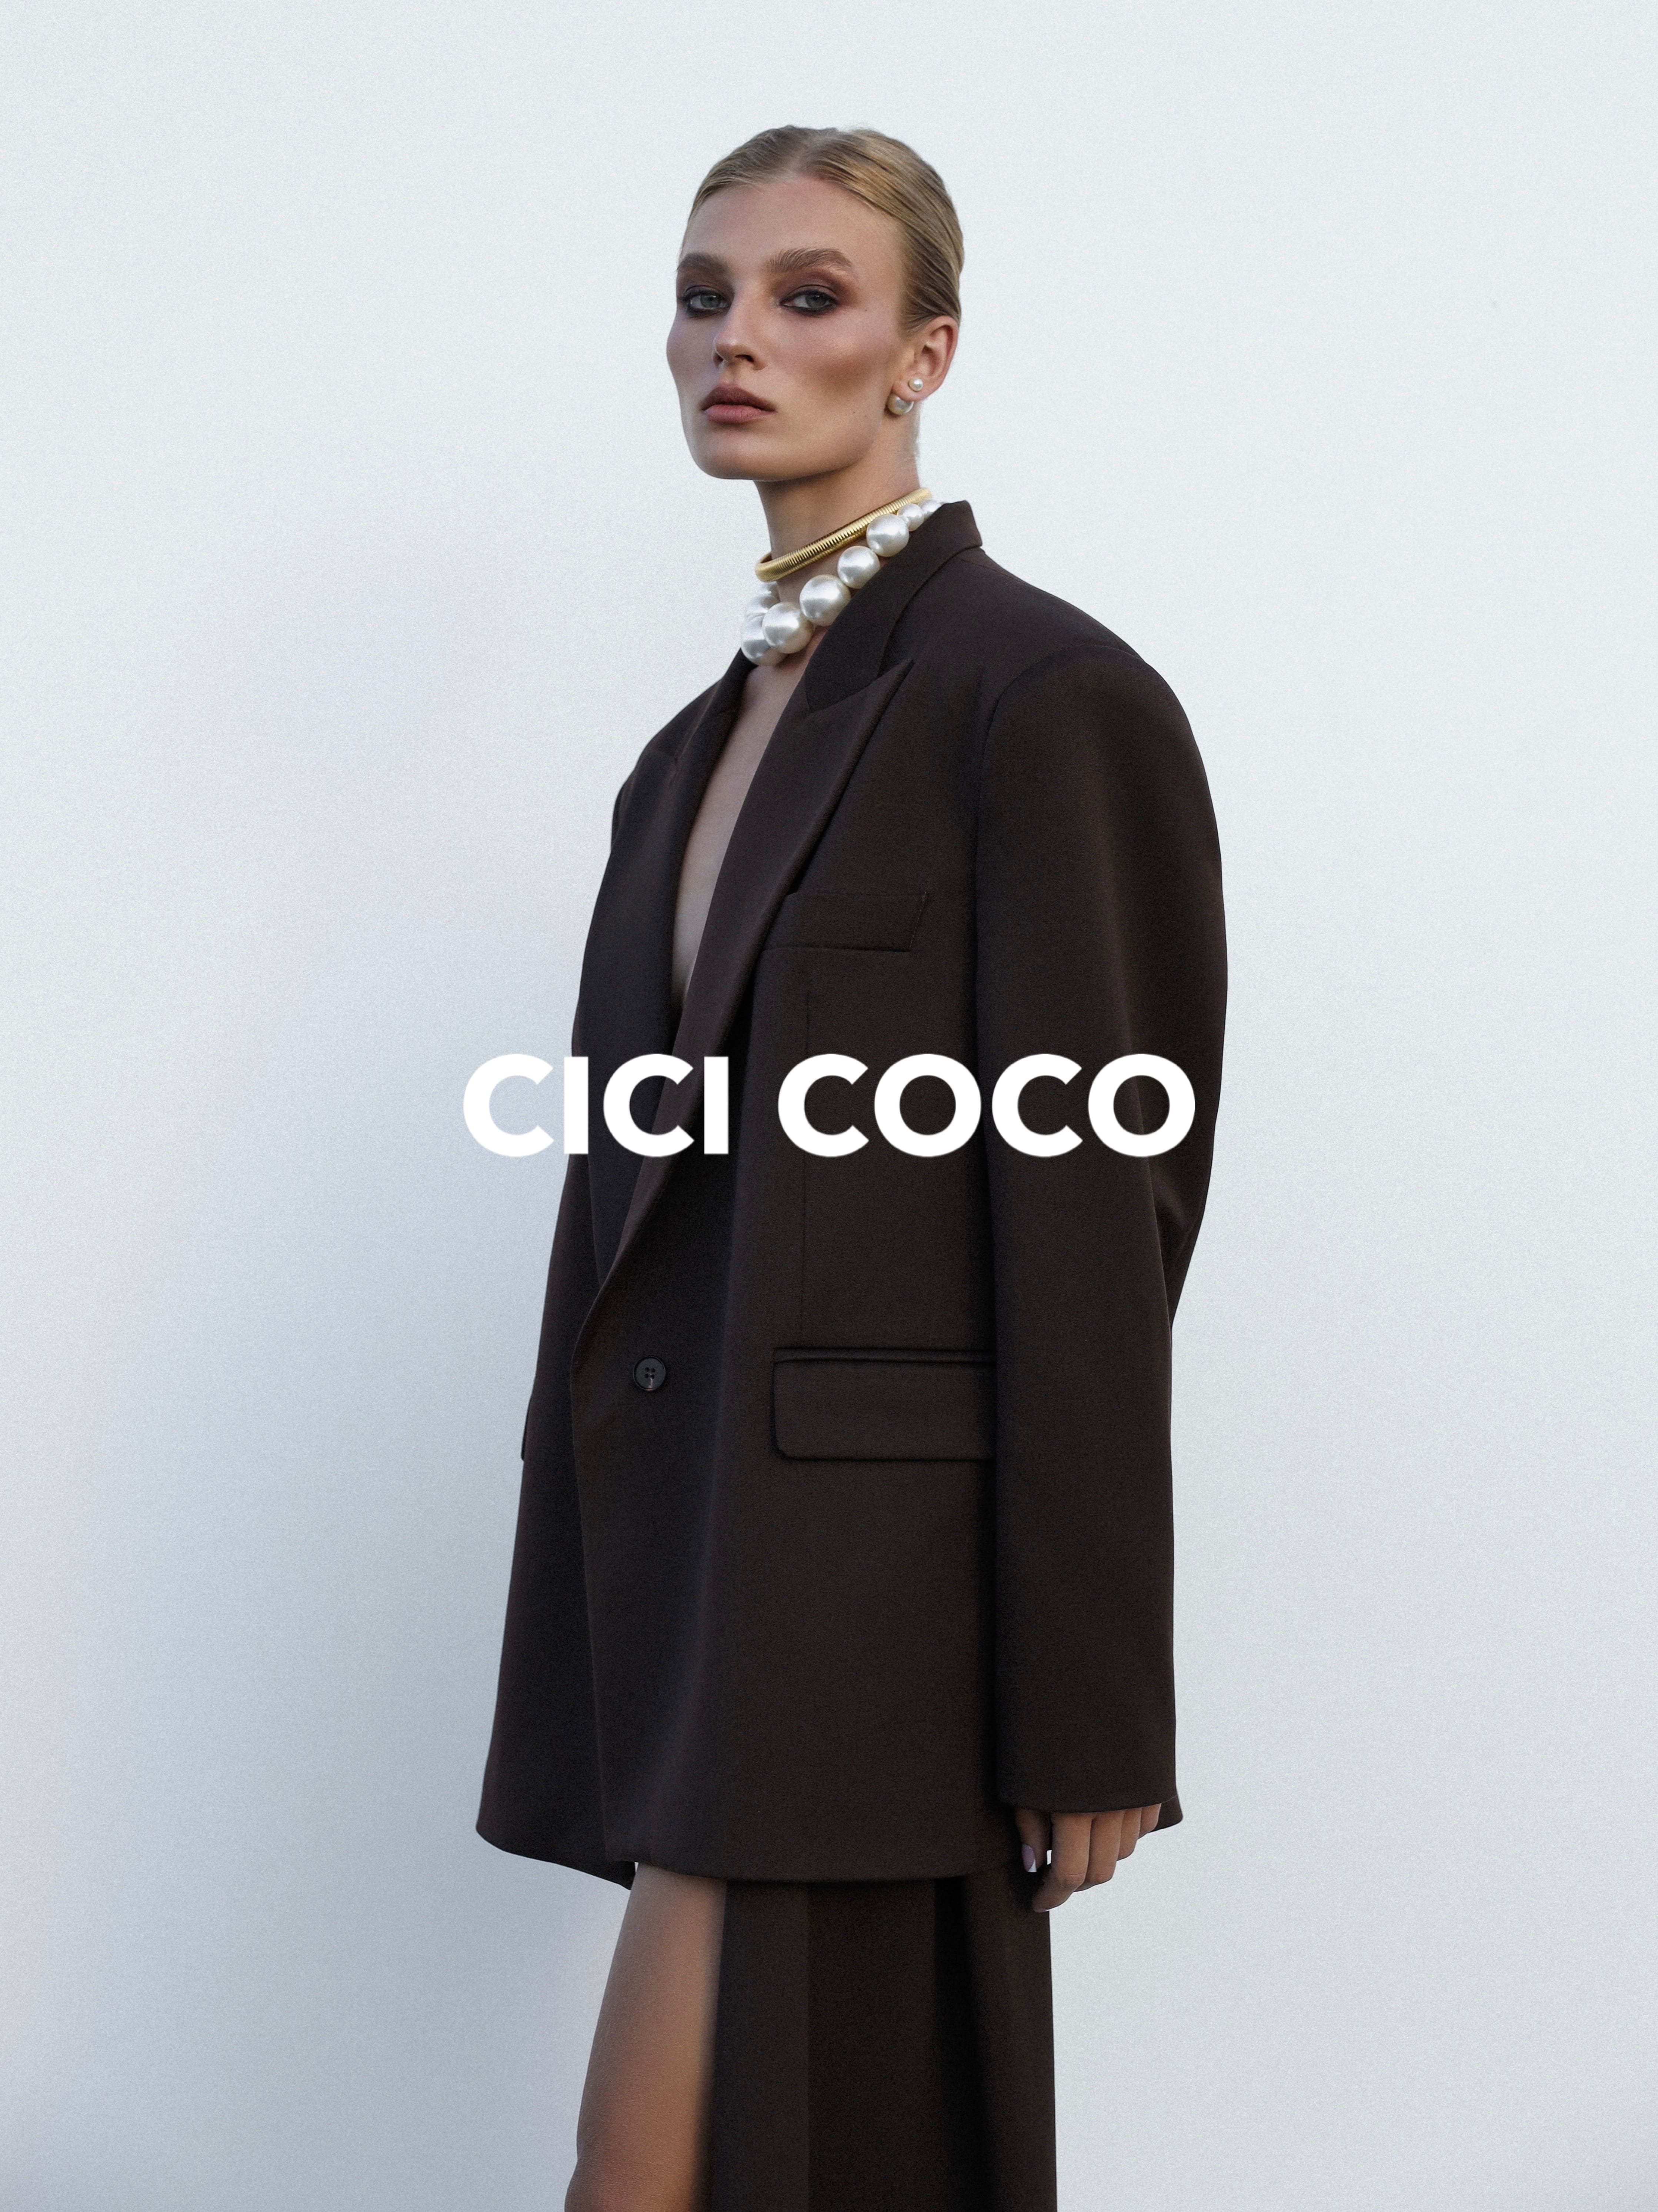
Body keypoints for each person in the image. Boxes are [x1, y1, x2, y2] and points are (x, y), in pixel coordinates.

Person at [477, 124, 1227, 2212]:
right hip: (700, 1570)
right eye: (704, 295)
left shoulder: (1041, 699)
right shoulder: (687, 756)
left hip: (887, 1612)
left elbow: (1099, 1221)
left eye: (809, 297)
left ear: (924, 354)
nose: (737, 339)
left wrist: (1093, 1698)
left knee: (667, 2170)